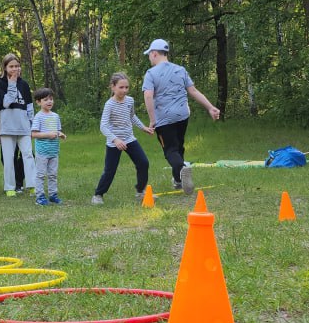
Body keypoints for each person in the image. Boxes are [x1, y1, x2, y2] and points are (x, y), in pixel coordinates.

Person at [142, 39, 220, 195]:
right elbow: (193, 91)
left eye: (149, 54)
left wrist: (152, 120)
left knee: (170, 151)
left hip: (164, 119)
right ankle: (178, 180)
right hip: (182, 116)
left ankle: (182, 167)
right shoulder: (180, 70)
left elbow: (148, 96)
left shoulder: (151, 73)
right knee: (178, 147)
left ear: (155, 53)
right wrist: (210, 107)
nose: (149, 58)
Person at [92, 73, 154, 205]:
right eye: (121, 87)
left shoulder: (130, 100)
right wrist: (115, 140)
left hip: (129, 139)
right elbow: (103, 126)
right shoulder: (109, 104)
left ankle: (140, 191)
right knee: (110, 170)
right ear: (113, 87)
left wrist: (143, 127)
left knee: (143, 163)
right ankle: (98, 195)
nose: (124, 90)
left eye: (127, 87)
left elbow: (132, 116)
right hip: (114, 142)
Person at [0, 54, 36, 196]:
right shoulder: (0, 84)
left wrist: (32, 124)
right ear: (5, 68)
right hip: (7, 127)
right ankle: (10, 187)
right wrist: (11, 84)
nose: (15, 69)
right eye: (11, 66)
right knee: (8, 157)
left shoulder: (24, 84)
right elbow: (5, 103)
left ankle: (32, 185)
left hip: (24, 127)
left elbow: (29, 106)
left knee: (28, 155)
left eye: (17, 66)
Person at [30, 87, 65, 206]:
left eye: (51, 99)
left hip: (54, 151)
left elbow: (57, 130)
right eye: (45, 100)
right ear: (38, 102)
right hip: (42, 151)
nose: (49, 102)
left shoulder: (55, 116)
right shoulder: (38, 117)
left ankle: (53, 195)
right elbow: (33, 134)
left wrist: (60, 134)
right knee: (40, 175)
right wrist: (48, 134)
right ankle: (39, 196)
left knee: (53, 174)